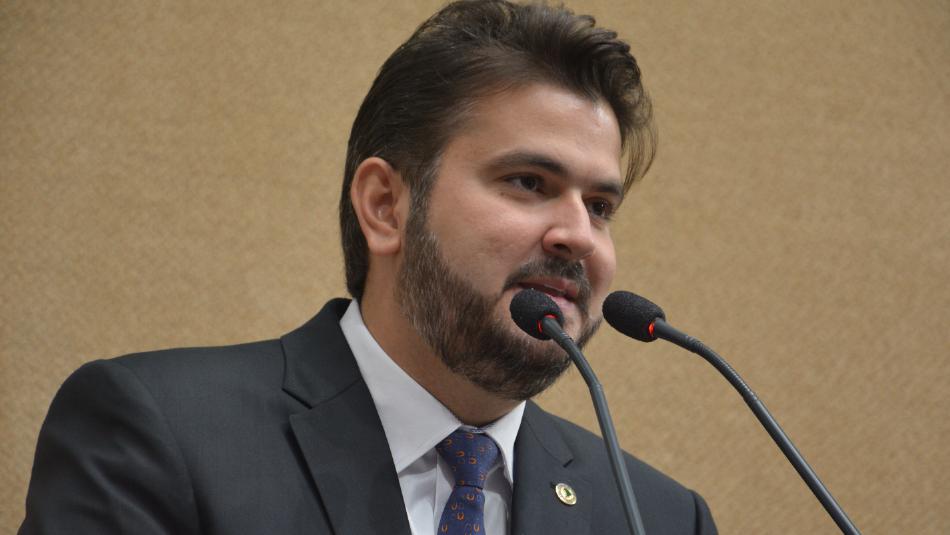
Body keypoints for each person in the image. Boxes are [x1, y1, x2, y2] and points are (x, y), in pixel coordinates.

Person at [20, 1, 717, 533]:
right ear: (386, 206)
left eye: (600, 206)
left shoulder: (656, 516)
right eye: (529, 182)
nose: (578, 236)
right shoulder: (160, 433)